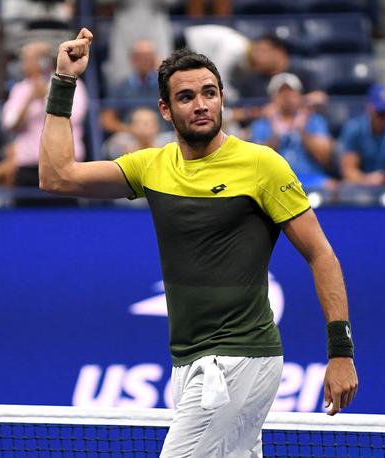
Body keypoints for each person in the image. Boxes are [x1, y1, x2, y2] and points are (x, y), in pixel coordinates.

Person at [39, 29, 358, 456]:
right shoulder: (151, 166)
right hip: (189, 362)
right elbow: (56, 175)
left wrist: (340, 352)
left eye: (210, 92)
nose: (202, 103)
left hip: (239, 357)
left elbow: (321, 255)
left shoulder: (263, 165)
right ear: (165, 110)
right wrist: (64, 83)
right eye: (187, 97)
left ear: (223, 98)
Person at [2, 41, 88, 187]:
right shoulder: (20, 89)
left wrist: (45, 98)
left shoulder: (71, 85)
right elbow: (9, 124)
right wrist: (29, 101)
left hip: (65, 166)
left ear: (43, 61)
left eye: (26, 59)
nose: (22, 64)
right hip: (27, 166)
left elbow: (74, 119)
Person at [248, 73, 335, 191]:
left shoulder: (314, 120)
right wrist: (275, 135)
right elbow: (255, 162)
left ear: (299, 95)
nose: (286, 96)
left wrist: (302, 131)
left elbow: (325, 157)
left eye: (291, 92)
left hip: (311, 178)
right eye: (281, 92)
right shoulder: (262, 124)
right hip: (274, 181)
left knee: (331, 186)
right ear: (272, 98)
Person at [100, 39, 161, 135]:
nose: (146, 61)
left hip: (161, 135)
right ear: (133, 60)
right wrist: (130, 130)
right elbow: (107, 120)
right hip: (130, 136)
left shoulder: (164, 84)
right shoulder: (120, 87)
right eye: (141, 57)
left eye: (149, 57)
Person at [102, 107, 174, 160]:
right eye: (138, 123)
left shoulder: (169, 142)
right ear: (131, 126)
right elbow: (108, 153)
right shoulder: (119, 142)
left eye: (147, 123)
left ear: (157, 126)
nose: (142, 127)